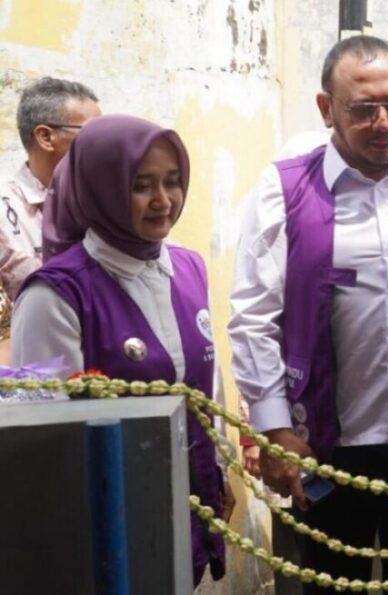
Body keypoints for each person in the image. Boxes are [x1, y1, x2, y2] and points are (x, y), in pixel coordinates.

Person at [228, 35, 388, 594]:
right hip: (325, 447)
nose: (384, 123)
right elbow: (253, 317)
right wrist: (275, 429)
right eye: (363, 110)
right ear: (327, 109)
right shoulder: (285, 188)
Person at [10, 114, 227, 585]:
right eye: (141, 185)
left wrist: (219, 468)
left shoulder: (189, 268)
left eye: (173, 181)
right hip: (105, 528)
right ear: (100, 188)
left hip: (186, 508)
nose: (163, 200)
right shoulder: (57, 295)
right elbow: (43, 439)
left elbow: (207, 389)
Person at [1, 77, 100, 298]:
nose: (103, 143)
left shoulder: (105, 202)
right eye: (92, 133)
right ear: (45, 137)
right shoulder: (4, 210)